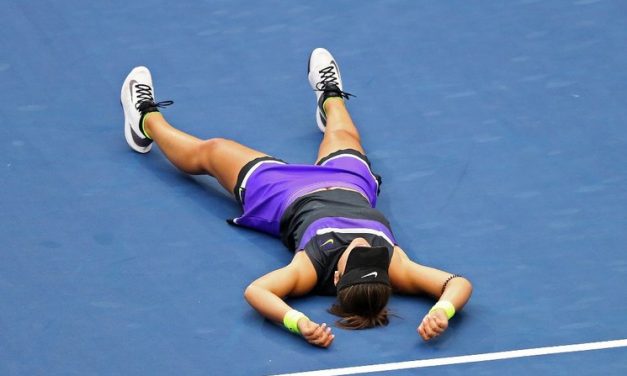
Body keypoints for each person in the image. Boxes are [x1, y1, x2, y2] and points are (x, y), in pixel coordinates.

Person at [120, 48, 472, 348]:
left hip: (281, 193)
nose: (366, 247)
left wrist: (296, 321)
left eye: (358, 260)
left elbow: (257, 291)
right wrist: (442, 311)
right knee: (343, 132)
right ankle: (329, 94)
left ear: (336, 278)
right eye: (373, 259)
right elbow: (457, 283)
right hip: (350, 185)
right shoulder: (393, 268)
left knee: (212, 151)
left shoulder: (310, 270)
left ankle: (146, 120)